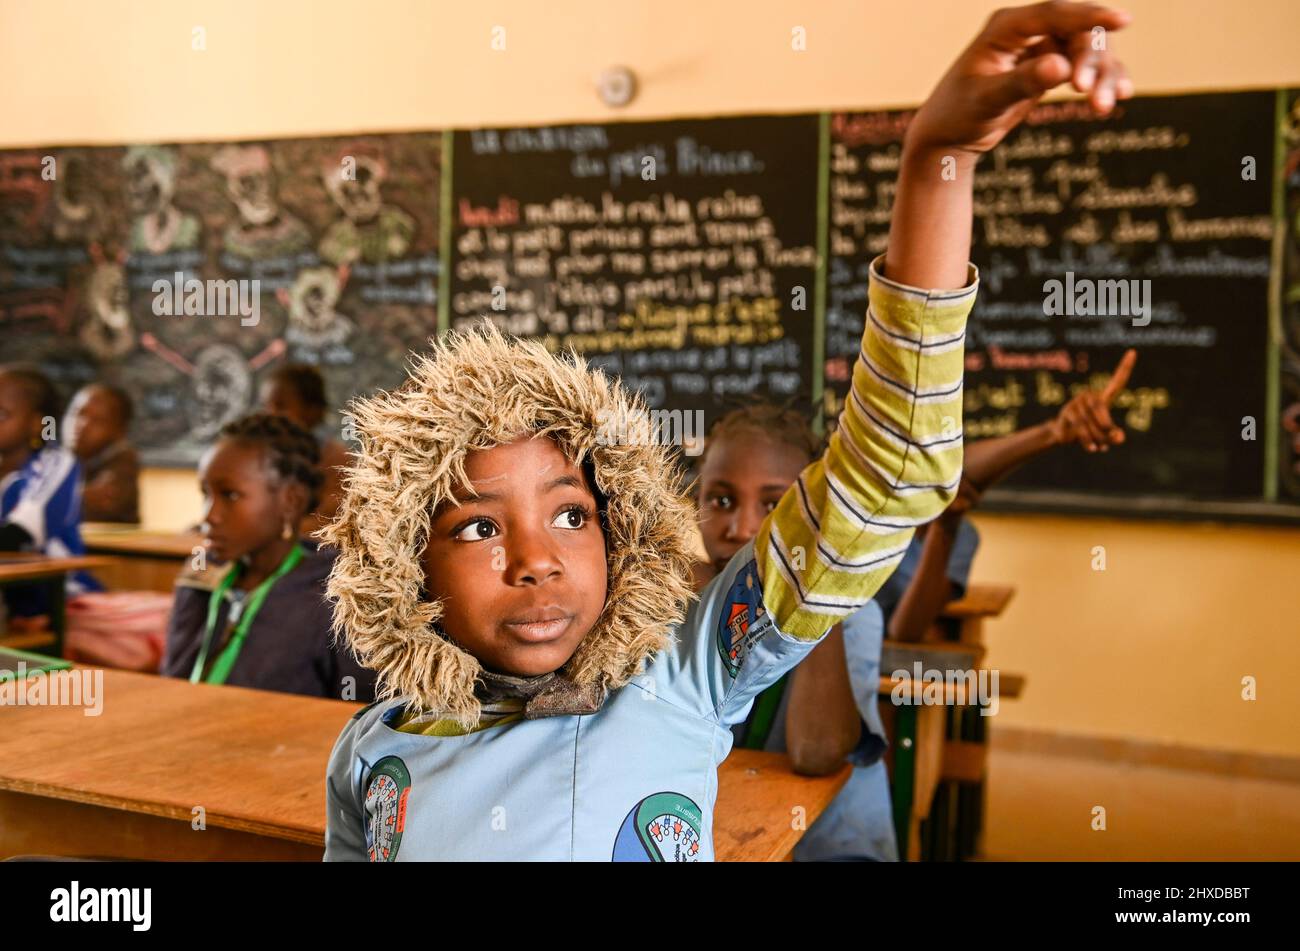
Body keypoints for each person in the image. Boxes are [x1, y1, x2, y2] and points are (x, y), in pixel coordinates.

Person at [321, 1, 1133, 861]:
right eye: (479, 526)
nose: (539, 558)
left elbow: (886, 477)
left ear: (622, 529)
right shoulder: (374, 752)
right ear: (404, 561)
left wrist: (939, 160)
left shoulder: (682, 672)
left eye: (571, 514)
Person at [161, 414, 375, 701]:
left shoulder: (336, 597)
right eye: (206, 494)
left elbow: (355, 716)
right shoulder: (199, 579)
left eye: (230, 495)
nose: (208, 516)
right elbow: (172, 685)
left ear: (291, 501)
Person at [0, 365, 98, 622]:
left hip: (60, 603)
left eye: (1, 414)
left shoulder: (56, 463)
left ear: (36, 424)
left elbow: (16, 535)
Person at [258, 363, 349, 534]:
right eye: (266, 406)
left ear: (313, 411)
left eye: (280, 406)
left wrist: (267, 533)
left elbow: (330, 523)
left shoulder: (336, 460)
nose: (270, 415)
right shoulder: (258, 457)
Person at [65, 383, 140, 524]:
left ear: (119, 430)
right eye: (78, 413)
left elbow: (101, 501)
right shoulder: (57, 457)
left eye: (98, 420)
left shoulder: (123, 459)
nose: (82, 425)